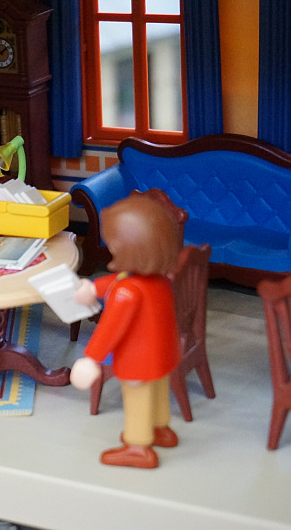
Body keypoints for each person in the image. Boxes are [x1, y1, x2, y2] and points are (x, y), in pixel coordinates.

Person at [70, 193, 183, 469]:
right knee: (158, 390)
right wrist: (94, 288)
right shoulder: (158, 280)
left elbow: (109, 330)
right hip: (163, 355)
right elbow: (119, 279)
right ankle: (160, 428)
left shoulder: (126, 293)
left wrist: (91, 359)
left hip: (137, 361)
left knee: (137, 399)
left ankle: (137, 445)